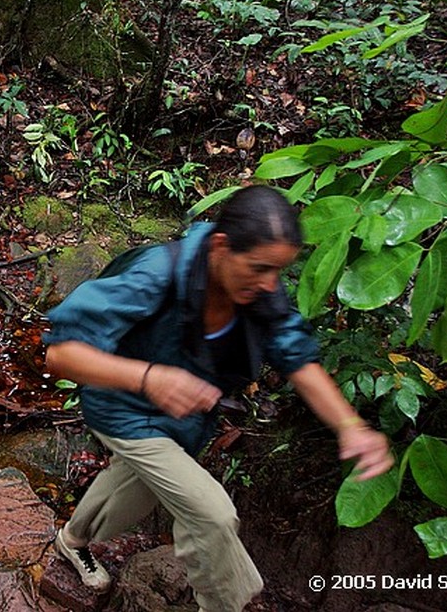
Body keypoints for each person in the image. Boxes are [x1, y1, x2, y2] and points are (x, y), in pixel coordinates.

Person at [44, 185, 393, 611]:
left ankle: (71, 541)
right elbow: (61, 353)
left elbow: (297, 356)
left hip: (181, 419)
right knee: (211, 515)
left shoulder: (259, 290)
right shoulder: (157, 273)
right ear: (222, 246)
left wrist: (350, 427)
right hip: (121, 406)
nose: (269, 285)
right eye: (259, 268)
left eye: (277, 272)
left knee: (139, 484)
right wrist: (150, 378)